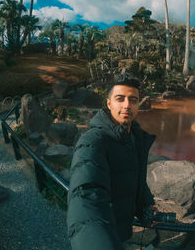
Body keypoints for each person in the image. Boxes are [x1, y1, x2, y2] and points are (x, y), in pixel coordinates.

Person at [67, 73, 157, 249]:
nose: (127, 105)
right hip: (106, 230)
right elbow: (86, 197)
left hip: (123, 226)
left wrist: (146, 202)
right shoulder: (93, 141)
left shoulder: (134, 137)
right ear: (109, 104)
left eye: (133, 100)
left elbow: (134, 173)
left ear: (138, 105)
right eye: (120, 98)